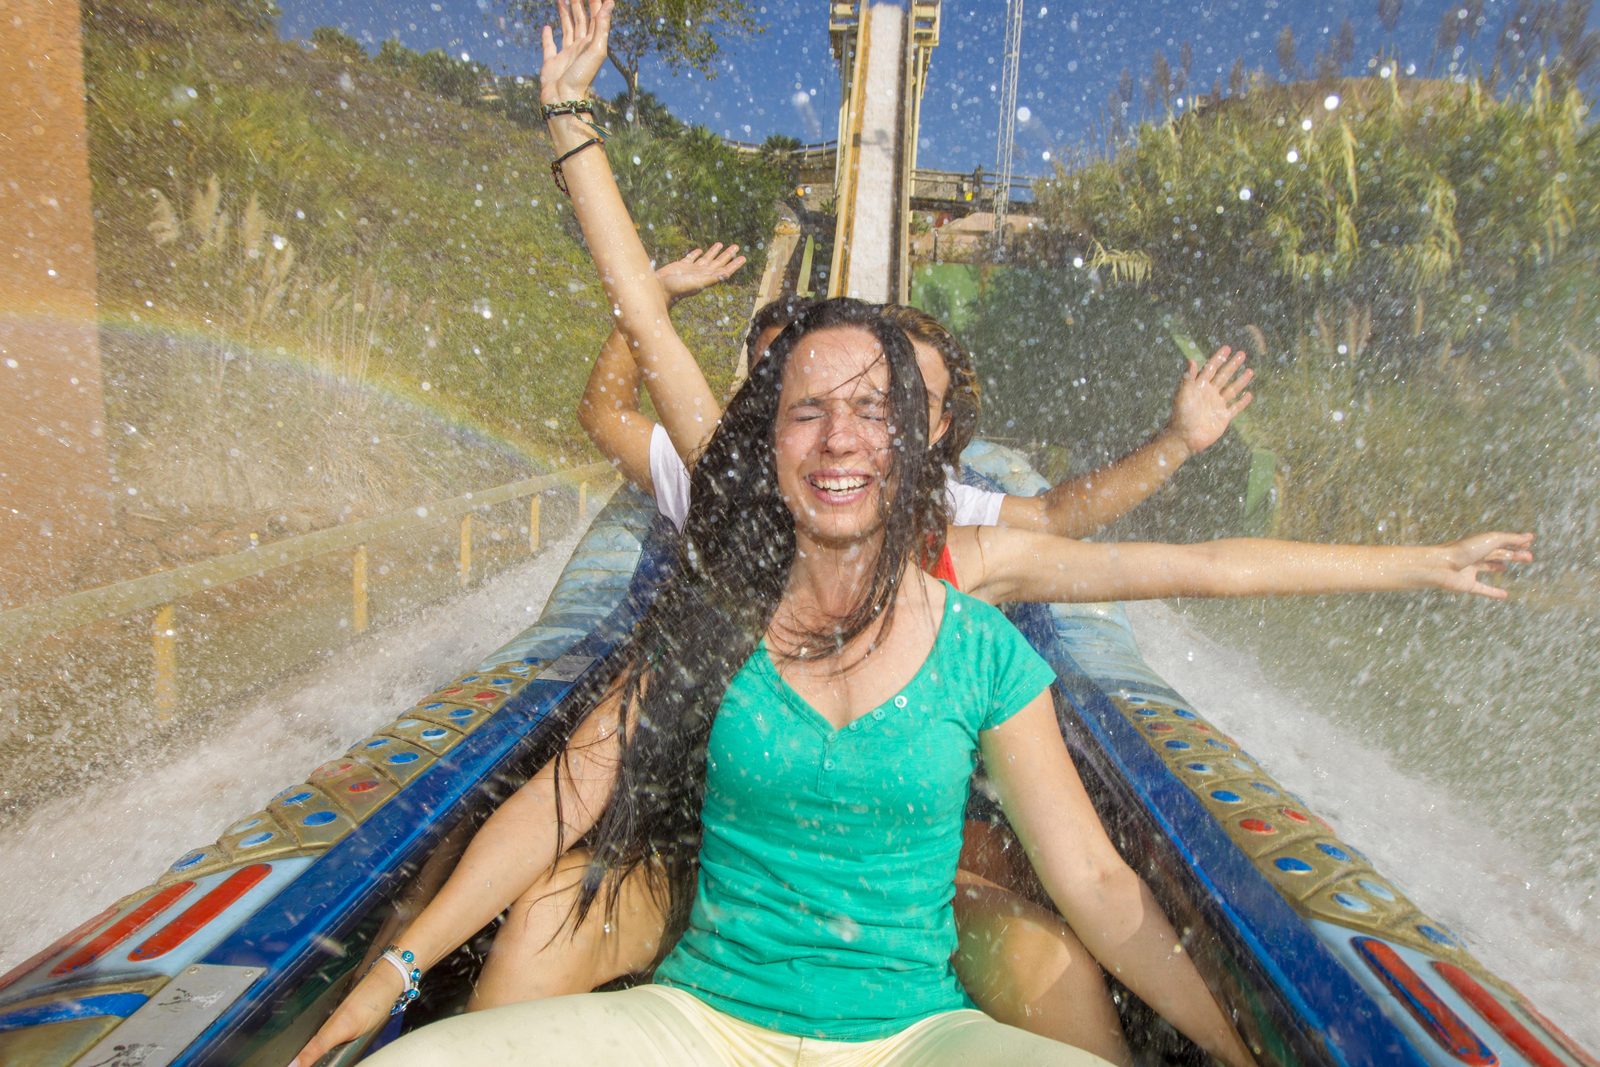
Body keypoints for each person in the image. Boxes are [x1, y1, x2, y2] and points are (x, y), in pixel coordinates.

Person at [291, 3, 1533, 1064]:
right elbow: (649, 343)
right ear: (771, 433)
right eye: (811, 408)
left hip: (900, 952)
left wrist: (1410, 559)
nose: (846, 435)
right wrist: (573, 125)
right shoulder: (729, 559)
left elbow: (1192, 577)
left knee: (1024, 918)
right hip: (706, 906)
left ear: (929, 440)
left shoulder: (974, 586)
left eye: (889, 407)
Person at [581, 256, 1256, 540]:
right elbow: (606, 411)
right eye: (776, 390)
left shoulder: (920, 506)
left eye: (866, 404)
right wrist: (653, 293)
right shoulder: (718, 477)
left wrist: (1176, 443)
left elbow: (1053, 516)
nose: (831, 433)